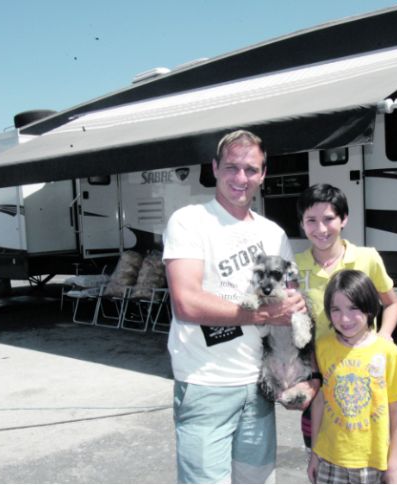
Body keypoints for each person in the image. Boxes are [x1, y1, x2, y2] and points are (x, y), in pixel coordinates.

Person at [162, 129, 309, 484]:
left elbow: (291, 299)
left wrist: (295, 307)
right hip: (205, 384)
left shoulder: (273, 233)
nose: (241, 178)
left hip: (259, 385)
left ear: (263, 174)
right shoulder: (189, 221)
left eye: (251, 169)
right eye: (231, 167)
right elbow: (186, 302)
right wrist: (262, 314)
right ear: (214, 168)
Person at [294, 183, 397, 447]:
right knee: (318, 449)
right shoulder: (295, 266)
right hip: (317, 375)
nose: (321, 229)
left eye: (329, 219)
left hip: (362, 373)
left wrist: (384, 336)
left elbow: (391, 304)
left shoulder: (367, 258)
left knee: (363, 445)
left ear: (344, 219)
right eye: (311, 220)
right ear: (302, 223)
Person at [308, 270, 397, 484]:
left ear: (369, 307)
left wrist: (394, 466)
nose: (345, 318)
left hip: (372, 464)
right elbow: (319, 402)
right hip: (329, 459)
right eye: (336, 309)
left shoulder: (387, 352)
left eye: (353, 308)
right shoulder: (322, 349)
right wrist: (314, 453)